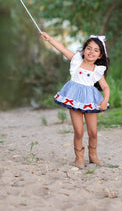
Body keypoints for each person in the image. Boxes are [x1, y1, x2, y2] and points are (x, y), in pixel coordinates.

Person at [41, 32, 110, 168]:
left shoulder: (97, 70)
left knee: (93, 132)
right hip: (74, 99)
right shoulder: (76, 61)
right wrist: (49, 39)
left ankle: (93, 155)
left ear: (100, 55)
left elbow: (106, 87)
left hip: (90, 101)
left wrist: (104, 100)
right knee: (79, 131)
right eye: (89, 48)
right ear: (84, 50)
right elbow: (61, 48)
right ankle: (79, 157)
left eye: (96, 50)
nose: (91, 52)